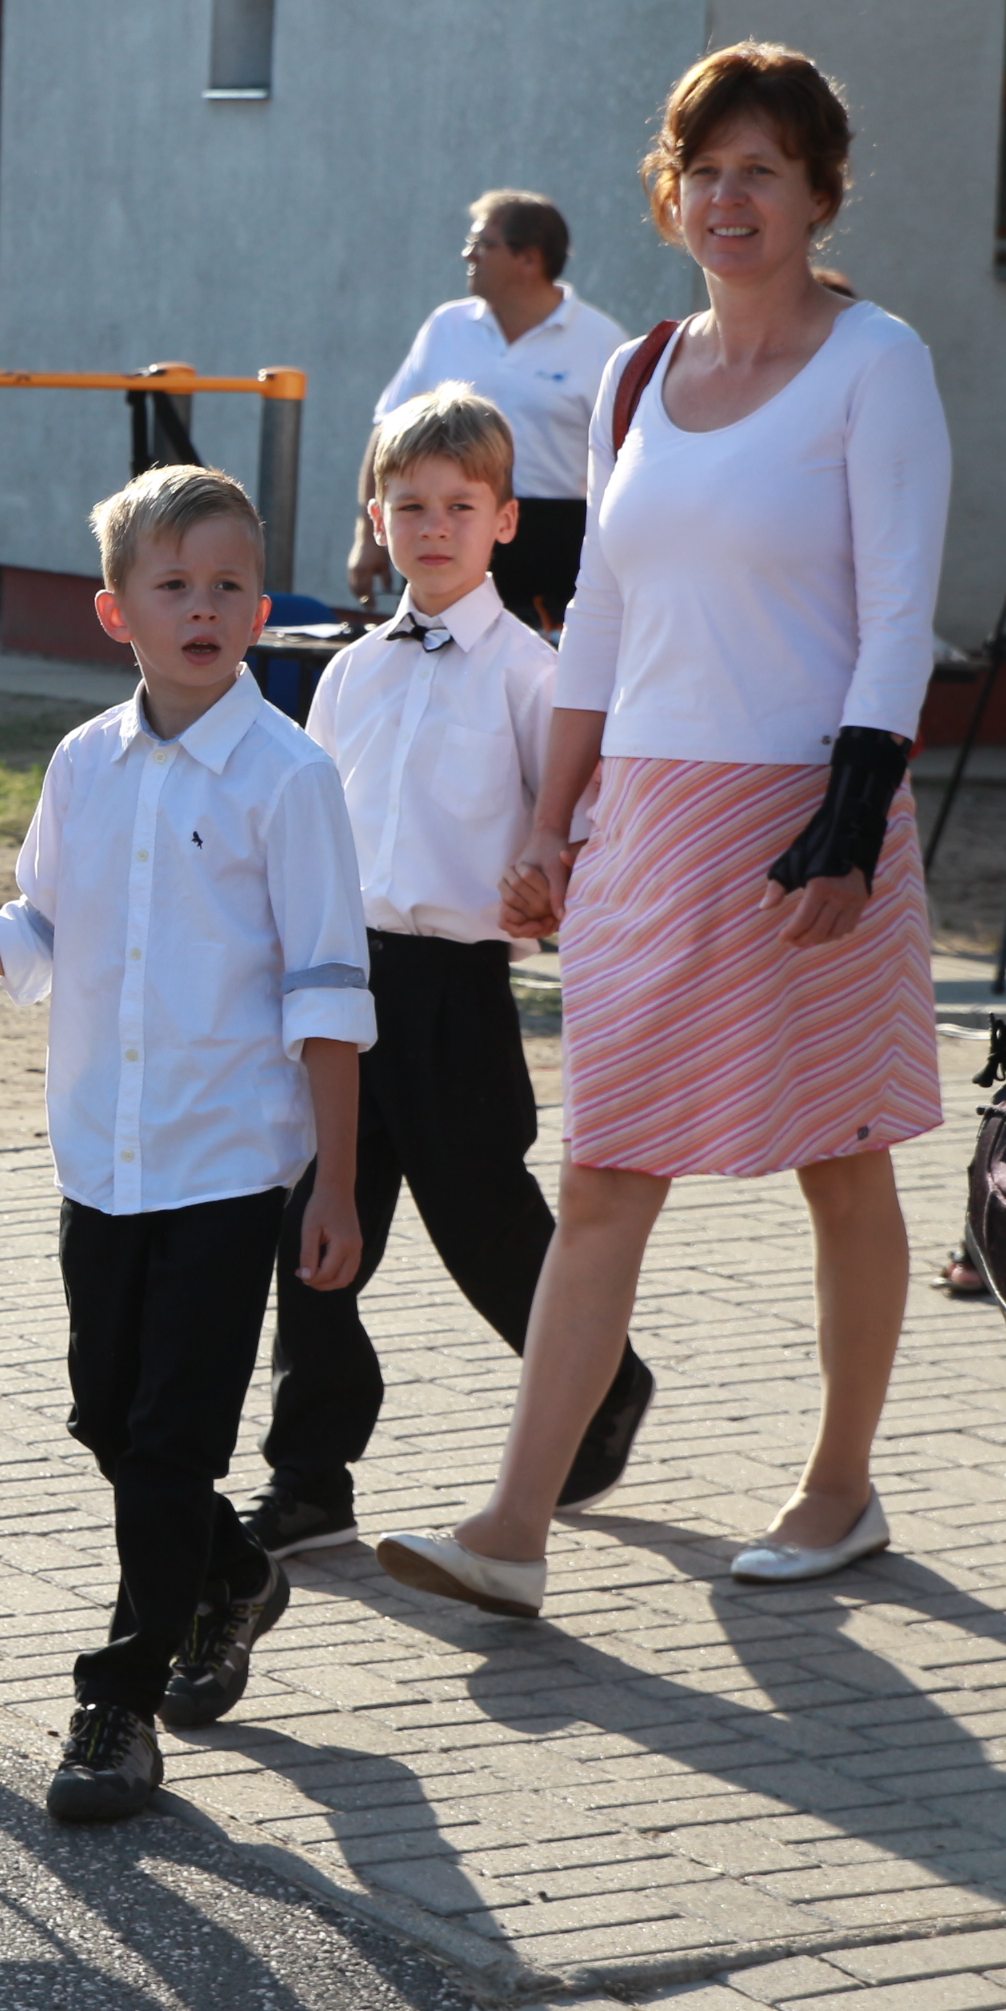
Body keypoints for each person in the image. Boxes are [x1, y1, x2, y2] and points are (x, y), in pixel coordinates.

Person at [377, 44, 947, 1621]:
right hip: (647, 811)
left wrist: (852, 819)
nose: (728, 197)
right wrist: (552, 822)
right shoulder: (636, 375)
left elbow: (901, 613)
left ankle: (841, 1486)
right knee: (610, 1163)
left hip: (806, 815)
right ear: (669, 193)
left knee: (842, 1160)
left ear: (820, 193)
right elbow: (606, 620)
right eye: (704, 170)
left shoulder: (876, 361)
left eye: (763, 170)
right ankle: (514, 1527)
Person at [0, 465, 370, 1822]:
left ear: (261, 610)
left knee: (168, 1445)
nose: (202, 609)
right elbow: (37, 938)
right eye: (173, 586)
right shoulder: (82, 765)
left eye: (227, 587)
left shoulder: (292, 778)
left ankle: (119, 1703)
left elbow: (331, 993)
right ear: (116, 611)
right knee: (110, 1417)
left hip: (229, 1166)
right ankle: (235, 1577)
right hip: (101, 1158)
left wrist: (334, 1181)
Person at [241, 385, 651, 1563]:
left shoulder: (535, 675)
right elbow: (309, 821)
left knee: (484, 1220)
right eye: (409, 505)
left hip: (457, 988)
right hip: (343, 981)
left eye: (459, 506)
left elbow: (573, 830)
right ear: (376, 517)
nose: (433, 527)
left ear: (505, 521)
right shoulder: (347, 674)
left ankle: (602, 1381)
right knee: (318, 1228)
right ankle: (310, 1475)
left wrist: (545, 887)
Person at [351, 190, 628, 630]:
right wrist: (367, 537)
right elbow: (389, 430)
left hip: (558, 543)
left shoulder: (602, 341)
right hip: (446, 526)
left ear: (529, 258)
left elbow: (628, 459)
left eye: (483, 244)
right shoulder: (446, 325)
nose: (469, 255)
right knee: (441, 648)